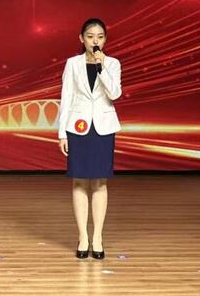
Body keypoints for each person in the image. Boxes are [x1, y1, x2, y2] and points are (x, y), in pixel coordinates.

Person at [58, 18, 122, 259]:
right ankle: (83, 236)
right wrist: (62, 133)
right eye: (90, 36)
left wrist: (101, 67)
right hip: (78, 127)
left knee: (99, 183)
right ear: (81, 38)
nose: (95, 41)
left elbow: (114, 93)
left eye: (100, 36)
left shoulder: (112, 63)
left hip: (103, 128)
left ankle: (98, 238)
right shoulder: (72, 64)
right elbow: (66, 98)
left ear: (105, 39)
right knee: (79, 182)